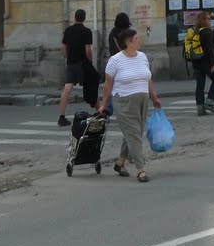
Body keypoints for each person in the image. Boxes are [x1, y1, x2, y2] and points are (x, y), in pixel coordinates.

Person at [100, 28, 161, 183]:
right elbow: (108, 85)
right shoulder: (115, 60)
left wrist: (154, 97)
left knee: (135, 132)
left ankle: (120, 163)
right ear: (128, 43)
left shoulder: (142, 57)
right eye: (136, 38)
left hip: (142, 100)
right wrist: (103, 104)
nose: (139, 40)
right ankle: (140, 169)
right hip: (123, 102)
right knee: (134, 134)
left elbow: (148, 79)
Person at [58, 9, 93, 127]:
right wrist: (89, 61)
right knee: (91, 87)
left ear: (75, 17)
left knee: (67, 89)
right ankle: (100, 113)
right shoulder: (87, 31)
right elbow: (88, 49)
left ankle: (61, 117)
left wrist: (67, 57)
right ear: (84, 18)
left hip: (71, 63)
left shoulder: (68, 30)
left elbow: (63, 47)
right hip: (83, 64)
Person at [192, 9, 214, 115]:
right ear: (203, 20)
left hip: (196, 62)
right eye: (208, 18)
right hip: (206, 62)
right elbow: (209, 50)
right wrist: (213, 64)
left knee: (200, 85)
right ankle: (210, 102)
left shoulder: (196, 31)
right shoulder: (207, 32)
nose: (210, 20)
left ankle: (200, 108)